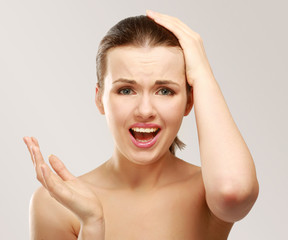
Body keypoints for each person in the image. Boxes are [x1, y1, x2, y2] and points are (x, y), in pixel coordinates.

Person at [23, 10, 259, 240]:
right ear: (99, 98)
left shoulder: (207, 192)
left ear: (189, 101)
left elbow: (233, 192)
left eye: (165, 91)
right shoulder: (58, 205)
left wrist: (202, 72)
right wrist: (92, 224)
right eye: (126, 90)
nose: (145, 110)